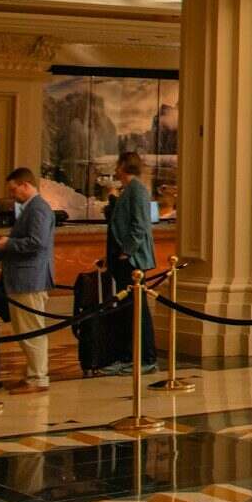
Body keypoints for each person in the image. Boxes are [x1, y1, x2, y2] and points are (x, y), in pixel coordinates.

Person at [0, 167, 56, 392]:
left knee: (31, 329)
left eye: (14, 190)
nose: (12, 195)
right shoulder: (29, 209)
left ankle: (38, 378)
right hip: (22, 279)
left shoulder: (38, 209)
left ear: (25, 185)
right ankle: (32, 374)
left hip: (30, 279)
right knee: (24, 330)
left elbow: (36, 242)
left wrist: (8, 244)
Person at [102, 151, 156, 376]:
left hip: (132, 261)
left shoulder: (137, 191)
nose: (115, 169)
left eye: (118, 165)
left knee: (136, 310)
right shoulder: (129, 191)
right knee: (127, 311)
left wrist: (126, 252)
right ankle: (128, 356)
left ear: (124, 166)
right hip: (123, 259)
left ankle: (144, 358)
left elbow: (139, 226)